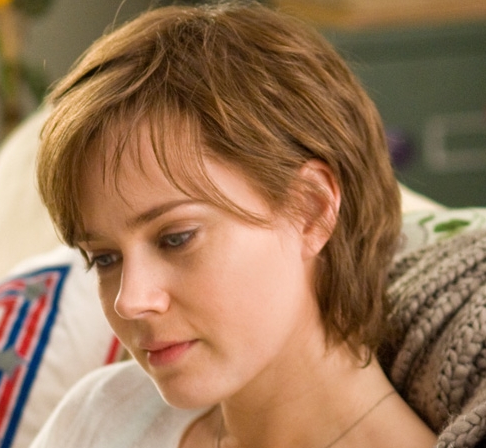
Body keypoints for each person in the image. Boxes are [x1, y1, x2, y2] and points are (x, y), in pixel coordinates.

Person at [30, 1, 438, 447]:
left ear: (311, 209)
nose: (130, 301)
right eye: (105, 259)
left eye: (176, 238)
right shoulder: (102, 414)